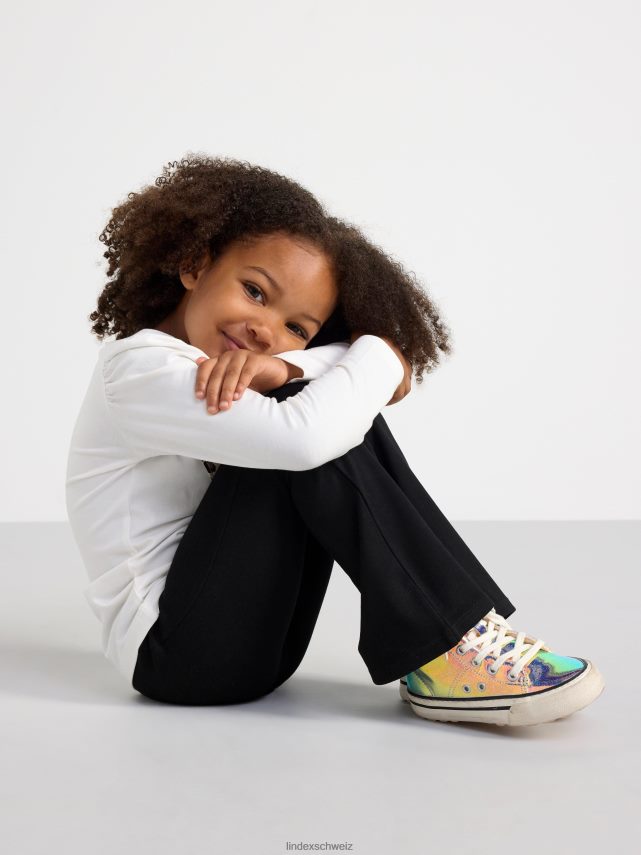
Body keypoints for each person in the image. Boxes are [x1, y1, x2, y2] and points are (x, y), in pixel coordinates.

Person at [65, 154, 604, 727]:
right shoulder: (140, 370)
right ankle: (448, 646)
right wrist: (383, 352)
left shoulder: (237, 366)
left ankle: (455, 641)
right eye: (255, 291)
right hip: (175, 656)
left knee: (332, 407)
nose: (264, 331)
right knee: (318, 418)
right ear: (195, 264)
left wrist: (290, 367)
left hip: (260, 643)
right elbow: (306, 439)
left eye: (296, 328)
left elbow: (340, 397)